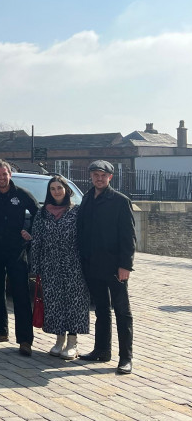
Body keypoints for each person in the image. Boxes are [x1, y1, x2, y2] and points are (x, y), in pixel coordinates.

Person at [77, 160, 136, 375]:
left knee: (122, 312)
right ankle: (102, 350)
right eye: (95, 175)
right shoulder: (86, 199)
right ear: (91, 177)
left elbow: (128, 237)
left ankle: (126, 357)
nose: (99, 178)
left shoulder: (120, 201)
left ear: (110, 177)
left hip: (114, 266)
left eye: (103, 175)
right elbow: (82, 231)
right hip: (92, 265)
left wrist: (125, 266)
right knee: (101, 310)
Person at [0, 160, 39, 356]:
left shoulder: (22, 194)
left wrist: (29, 231)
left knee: (21, 294)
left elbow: (39, 214)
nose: (1, 178)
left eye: (4, 174)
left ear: (10, 174)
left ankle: (25, 340)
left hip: (16, 251)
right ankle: (0, 331)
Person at [30, 176, 89, 360]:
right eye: (53, 188)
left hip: (73, 264)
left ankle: (72, 342)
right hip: (50, 264)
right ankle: (59, 339)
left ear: (66, 190)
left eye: (60, 188)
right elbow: (36, 241)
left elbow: (85, 238)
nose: (56, 191)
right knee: (54, 302)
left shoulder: (77, 212)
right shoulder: (42, 213)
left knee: (74, 302)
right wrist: (35, 267)